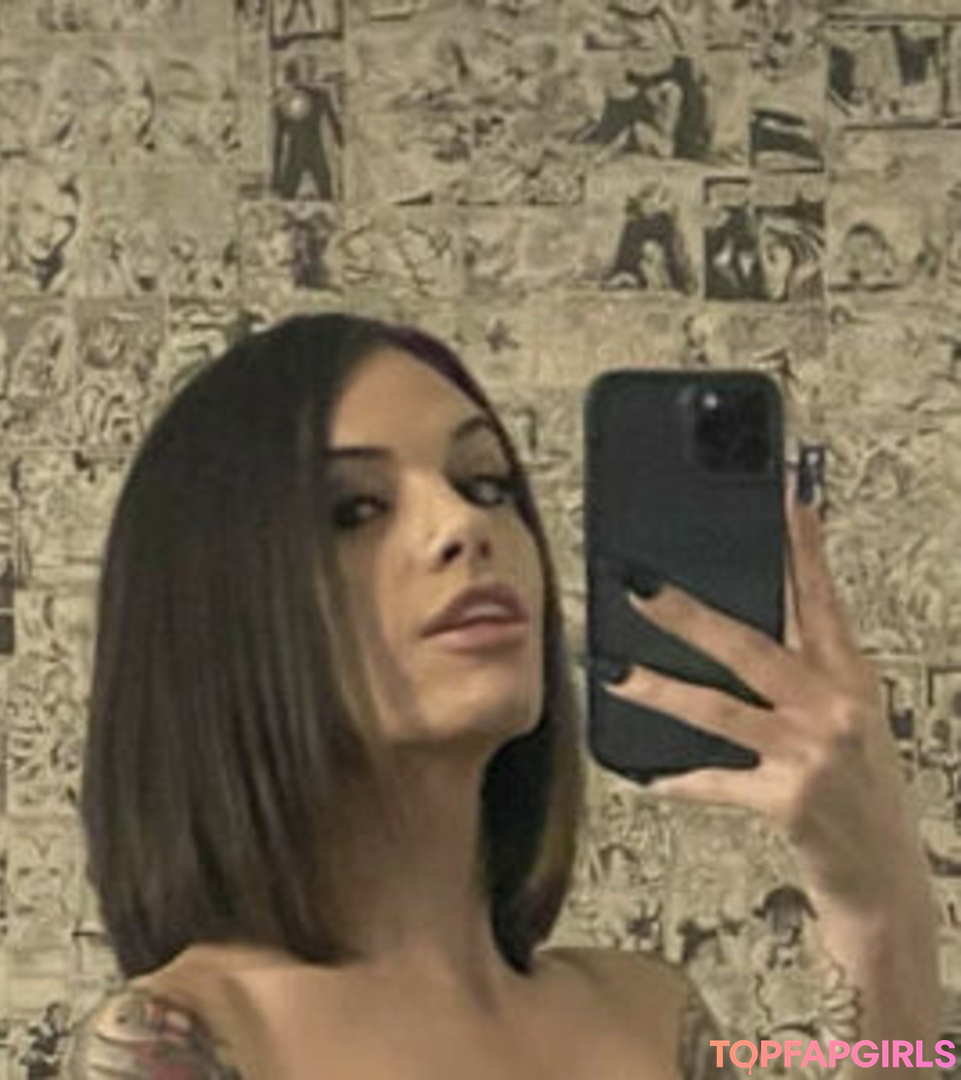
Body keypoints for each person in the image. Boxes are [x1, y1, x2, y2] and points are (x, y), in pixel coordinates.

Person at [63, 312, 939, 1077]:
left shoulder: (648, 1010)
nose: (464, 525)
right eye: (356, 509)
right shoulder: (176, 1039)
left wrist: (879, 899)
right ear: (218, 607)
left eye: (485, 483)